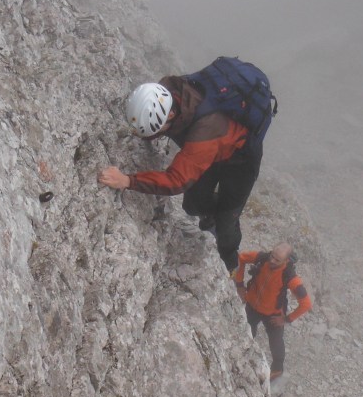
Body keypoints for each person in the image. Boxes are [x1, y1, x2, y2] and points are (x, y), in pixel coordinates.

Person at [97, 76, 263, 273]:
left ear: (171, 115)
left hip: (240, 161)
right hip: (210, 150)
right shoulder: (167, 90)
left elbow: (176, 181)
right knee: (192, 206)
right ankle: (211, 214)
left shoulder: (205, 129)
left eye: (160, 128)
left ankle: (230, 260)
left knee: (227, 221)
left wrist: (127, 180)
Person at [233, 242, 312, 382]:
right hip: (252, 305)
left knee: (276, 342)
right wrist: (239, 285)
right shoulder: (262, 258)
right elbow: (241, 257)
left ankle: (277, 371)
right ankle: (244, 357)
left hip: (273, 314)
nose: (272, 261)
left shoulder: (290, 276)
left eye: (277, 260)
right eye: (272, 256)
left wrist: (286, 319)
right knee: (248, 332)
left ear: (287, 260)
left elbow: (306, 304)